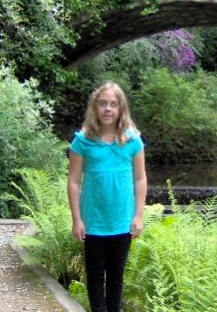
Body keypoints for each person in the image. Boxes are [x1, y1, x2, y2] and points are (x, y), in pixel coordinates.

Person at [67, 81, 147, 312]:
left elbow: (140, 179)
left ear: (121, 109)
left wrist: (139, 216)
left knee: (116, 276)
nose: (108, 109)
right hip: (93, 221)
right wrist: (77, 219)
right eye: (103, 104)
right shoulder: (82, 141)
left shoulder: (132, 141)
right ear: (95, 107)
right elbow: (73, 181)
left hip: (122, 221)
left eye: (113, 104)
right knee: (94, 276)